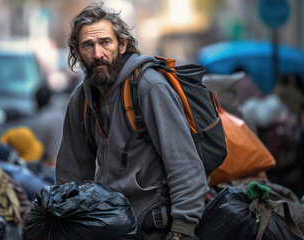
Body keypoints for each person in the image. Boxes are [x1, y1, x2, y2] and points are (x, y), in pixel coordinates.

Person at [55, 3, 207, 240]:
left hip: (154, 227)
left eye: (105, 42)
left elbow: (184, 165)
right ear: (77, 52)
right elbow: (70, 175)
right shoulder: (81, 101)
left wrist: (183, 228)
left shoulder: (148, 87)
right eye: (88, 45)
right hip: (109, 226)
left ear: (122, 45)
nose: (97, 54)